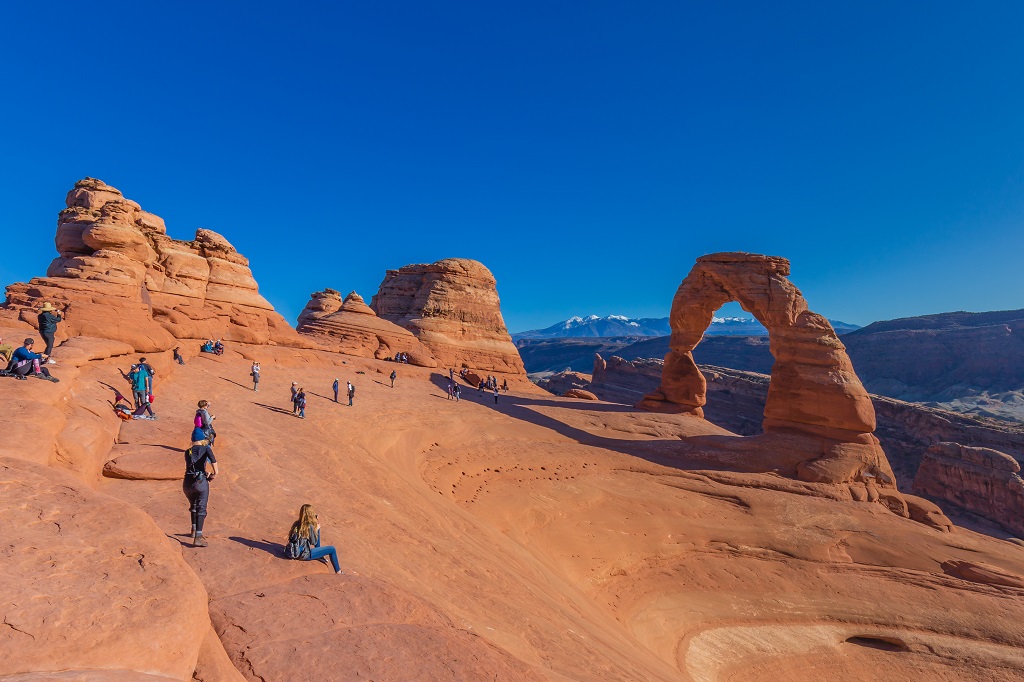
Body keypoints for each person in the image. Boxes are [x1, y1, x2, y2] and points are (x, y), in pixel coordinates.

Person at [183, 428, 218, 548]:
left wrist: (204, 471)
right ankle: (198, 537)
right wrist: (214, 474)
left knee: (193, 505)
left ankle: (193, 530)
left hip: (187, 483)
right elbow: (213, 462)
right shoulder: (206, 448)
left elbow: (192, 467)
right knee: (201, 507)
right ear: (202, 438)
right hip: (200, 482)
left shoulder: (188, 452)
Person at [286, 504, 342, 574]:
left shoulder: (296, 524)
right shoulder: (309, 526)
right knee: (332, 549)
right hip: (304, 555)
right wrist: (317, 529)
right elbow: (314, 542)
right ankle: (339, 571)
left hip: (293, 551)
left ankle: (320, 555)